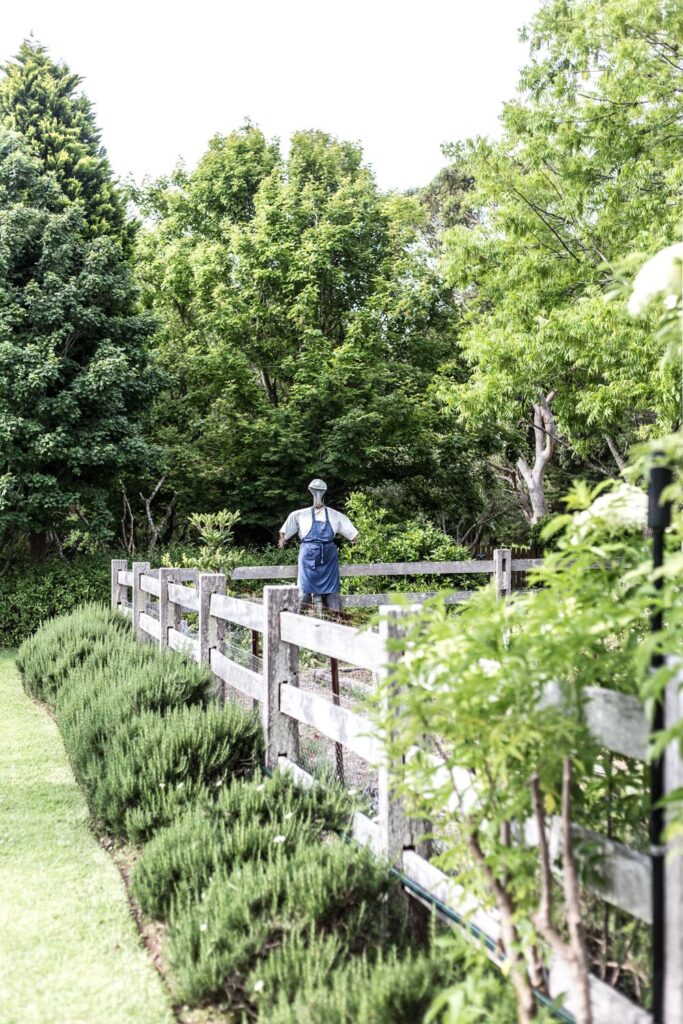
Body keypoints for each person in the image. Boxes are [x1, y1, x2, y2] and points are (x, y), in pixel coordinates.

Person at [278, 479, 358, 612]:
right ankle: (298, 618)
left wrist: (356, 544)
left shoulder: (335, 515)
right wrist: (282, 539)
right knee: (304, 590)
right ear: (311, 492)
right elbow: (284, 533)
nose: (317, 493)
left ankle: (336, 619)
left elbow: (353, 535)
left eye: (320, 491)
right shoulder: (299, 515)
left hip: (328, 558)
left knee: (332, 592)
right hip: (308, 557)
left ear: (324, 492)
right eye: (315, 491)